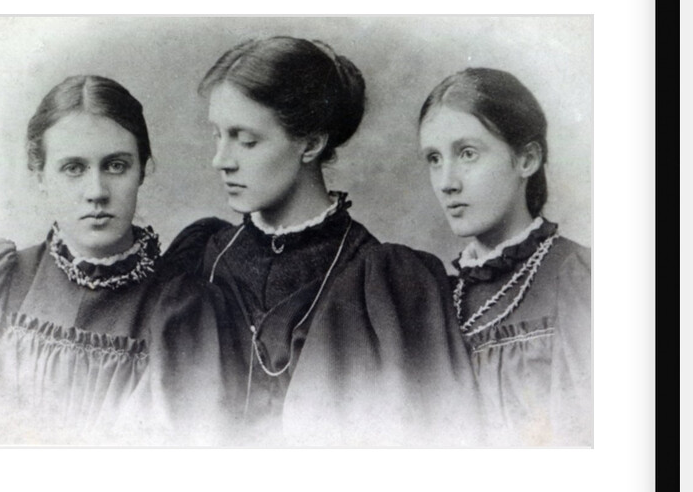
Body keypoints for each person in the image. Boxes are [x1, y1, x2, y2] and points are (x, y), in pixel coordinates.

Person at [163, 36, 479, 446]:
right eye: (218, 135)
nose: (220, 159)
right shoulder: (204, 257)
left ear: (311, 144)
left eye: (246, 140)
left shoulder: (379, 282)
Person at [0, 75, 229, 446]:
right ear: (40, 175)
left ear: (142, 170)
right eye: (73, 168)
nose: (96, 192)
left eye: (116, 166)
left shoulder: (180, 311)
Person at [418, 67, 592, 447]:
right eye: (434, 158)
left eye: (467, 153)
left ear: (527, 159)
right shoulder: (440, 297)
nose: (447, 182)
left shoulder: (578, 278)